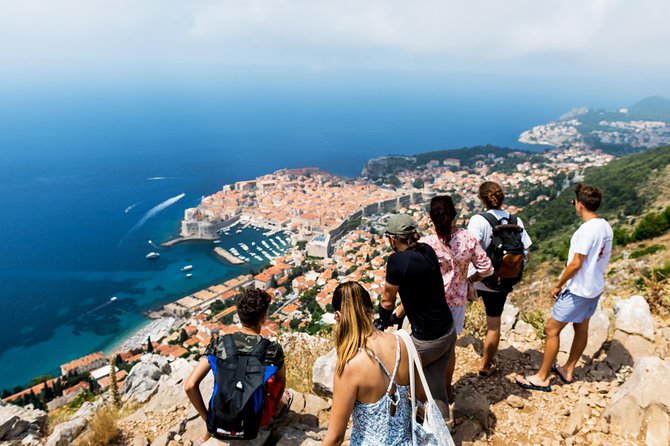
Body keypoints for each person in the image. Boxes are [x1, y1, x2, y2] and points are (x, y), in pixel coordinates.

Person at [516, 183, 612, 392]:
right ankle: (568, 369)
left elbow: (577, 262)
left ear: (580, 205)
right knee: (581, 328)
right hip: (595, 287)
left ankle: (542, 377)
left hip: (579, 289)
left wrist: (558, 284)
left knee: (552, 328)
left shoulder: (587, 231)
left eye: (574, 202)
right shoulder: (605, 226)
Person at [184, 288, 290, 443]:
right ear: (263, 317)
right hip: (254, 422)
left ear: (239, 316)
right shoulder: (272, 350)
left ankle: (208, 433)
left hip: (218, 420)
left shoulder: (219, 344)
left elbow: (189, 386)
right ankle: (276, 410)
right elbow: (281, 382)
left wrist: (208, 419)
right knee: (277, 383)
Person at [377, 213, 456, 415]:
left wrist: (384, 321)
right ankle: (442, 426)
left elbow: (387, 298)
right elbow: (422, 289)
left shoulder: (397, 261)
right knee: (436, 386)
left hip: (426, 341)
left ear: (393, 239)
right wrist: (399, 314)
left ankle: (400, 421)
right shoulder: (427, 251)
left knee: (393, 375)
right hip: (447, 331)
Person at [323, 281, 414, 446]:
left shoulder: (349, 366)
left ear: (338, 316)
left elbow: (335, 437)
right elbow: (420, 397)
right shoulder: (402, 343)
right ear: (370, 307)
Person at [420, 196, 493, 398]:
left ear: (431, 218)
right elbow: (486, 269)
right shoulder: (468, 239)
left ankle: (425, 391)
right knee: (448, 348)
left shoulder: (426, 243)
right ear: (454, 214)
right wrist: (469, 280)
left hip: (431, 302)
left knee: (427, 345)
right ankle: (447, 388)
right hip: (457, 302)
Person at [467, 181, 532, 376]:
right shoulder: (516, 221)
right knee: (493, 327)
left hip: (476, 279)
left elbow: (468, 249)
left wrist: (466, 277)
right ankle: (485, 366)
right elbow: (526, 252)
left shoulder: (478, 220)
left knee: (451, 314)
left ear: (481, 198)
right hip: (500, 281)